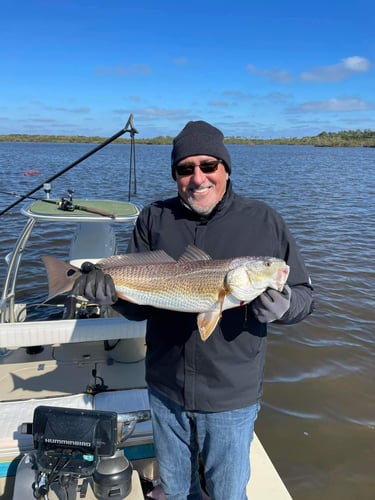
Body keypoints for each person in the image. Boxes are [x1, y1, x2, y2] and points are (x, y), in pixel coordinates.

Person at [73, 120, 314, 500]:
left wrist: (284, 306)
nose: (198, 178)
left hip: (230, 396)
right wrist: (113, 296)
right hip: (165, 388)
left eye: (208, 165)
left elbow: (303, 295)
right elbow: (142, 310)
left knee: (227, 493)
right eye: (186, 169)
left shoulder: (265, 221)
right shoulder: (154, 217)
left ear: (226, 168)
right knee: (176, 488)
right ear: (175, 175)